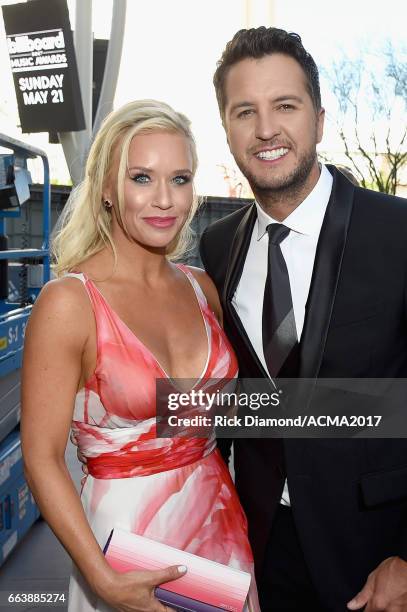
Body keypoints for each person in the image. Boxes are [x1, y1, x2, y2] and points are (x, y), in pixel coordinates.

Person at [21, 100, 259, 612]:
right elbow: (41, 458)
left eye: (179, 179)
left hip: (219, 525)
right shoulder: (69, 303)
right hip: (122, 547)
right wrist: (100, 577)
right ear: (107, 189)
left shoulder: (201, 289)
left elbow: (201, 413)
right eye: (141, 178)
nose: (164, 200)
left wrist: (366, 411)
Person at [200, 27, 407, 612]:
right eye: (246, 112)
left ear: (318, 119)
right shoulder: (218, 246)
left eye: (284, 106)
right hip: (259, 548)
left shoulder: (397, 232)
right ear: (227, 129)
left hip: (375, 555)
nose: (266, 129)